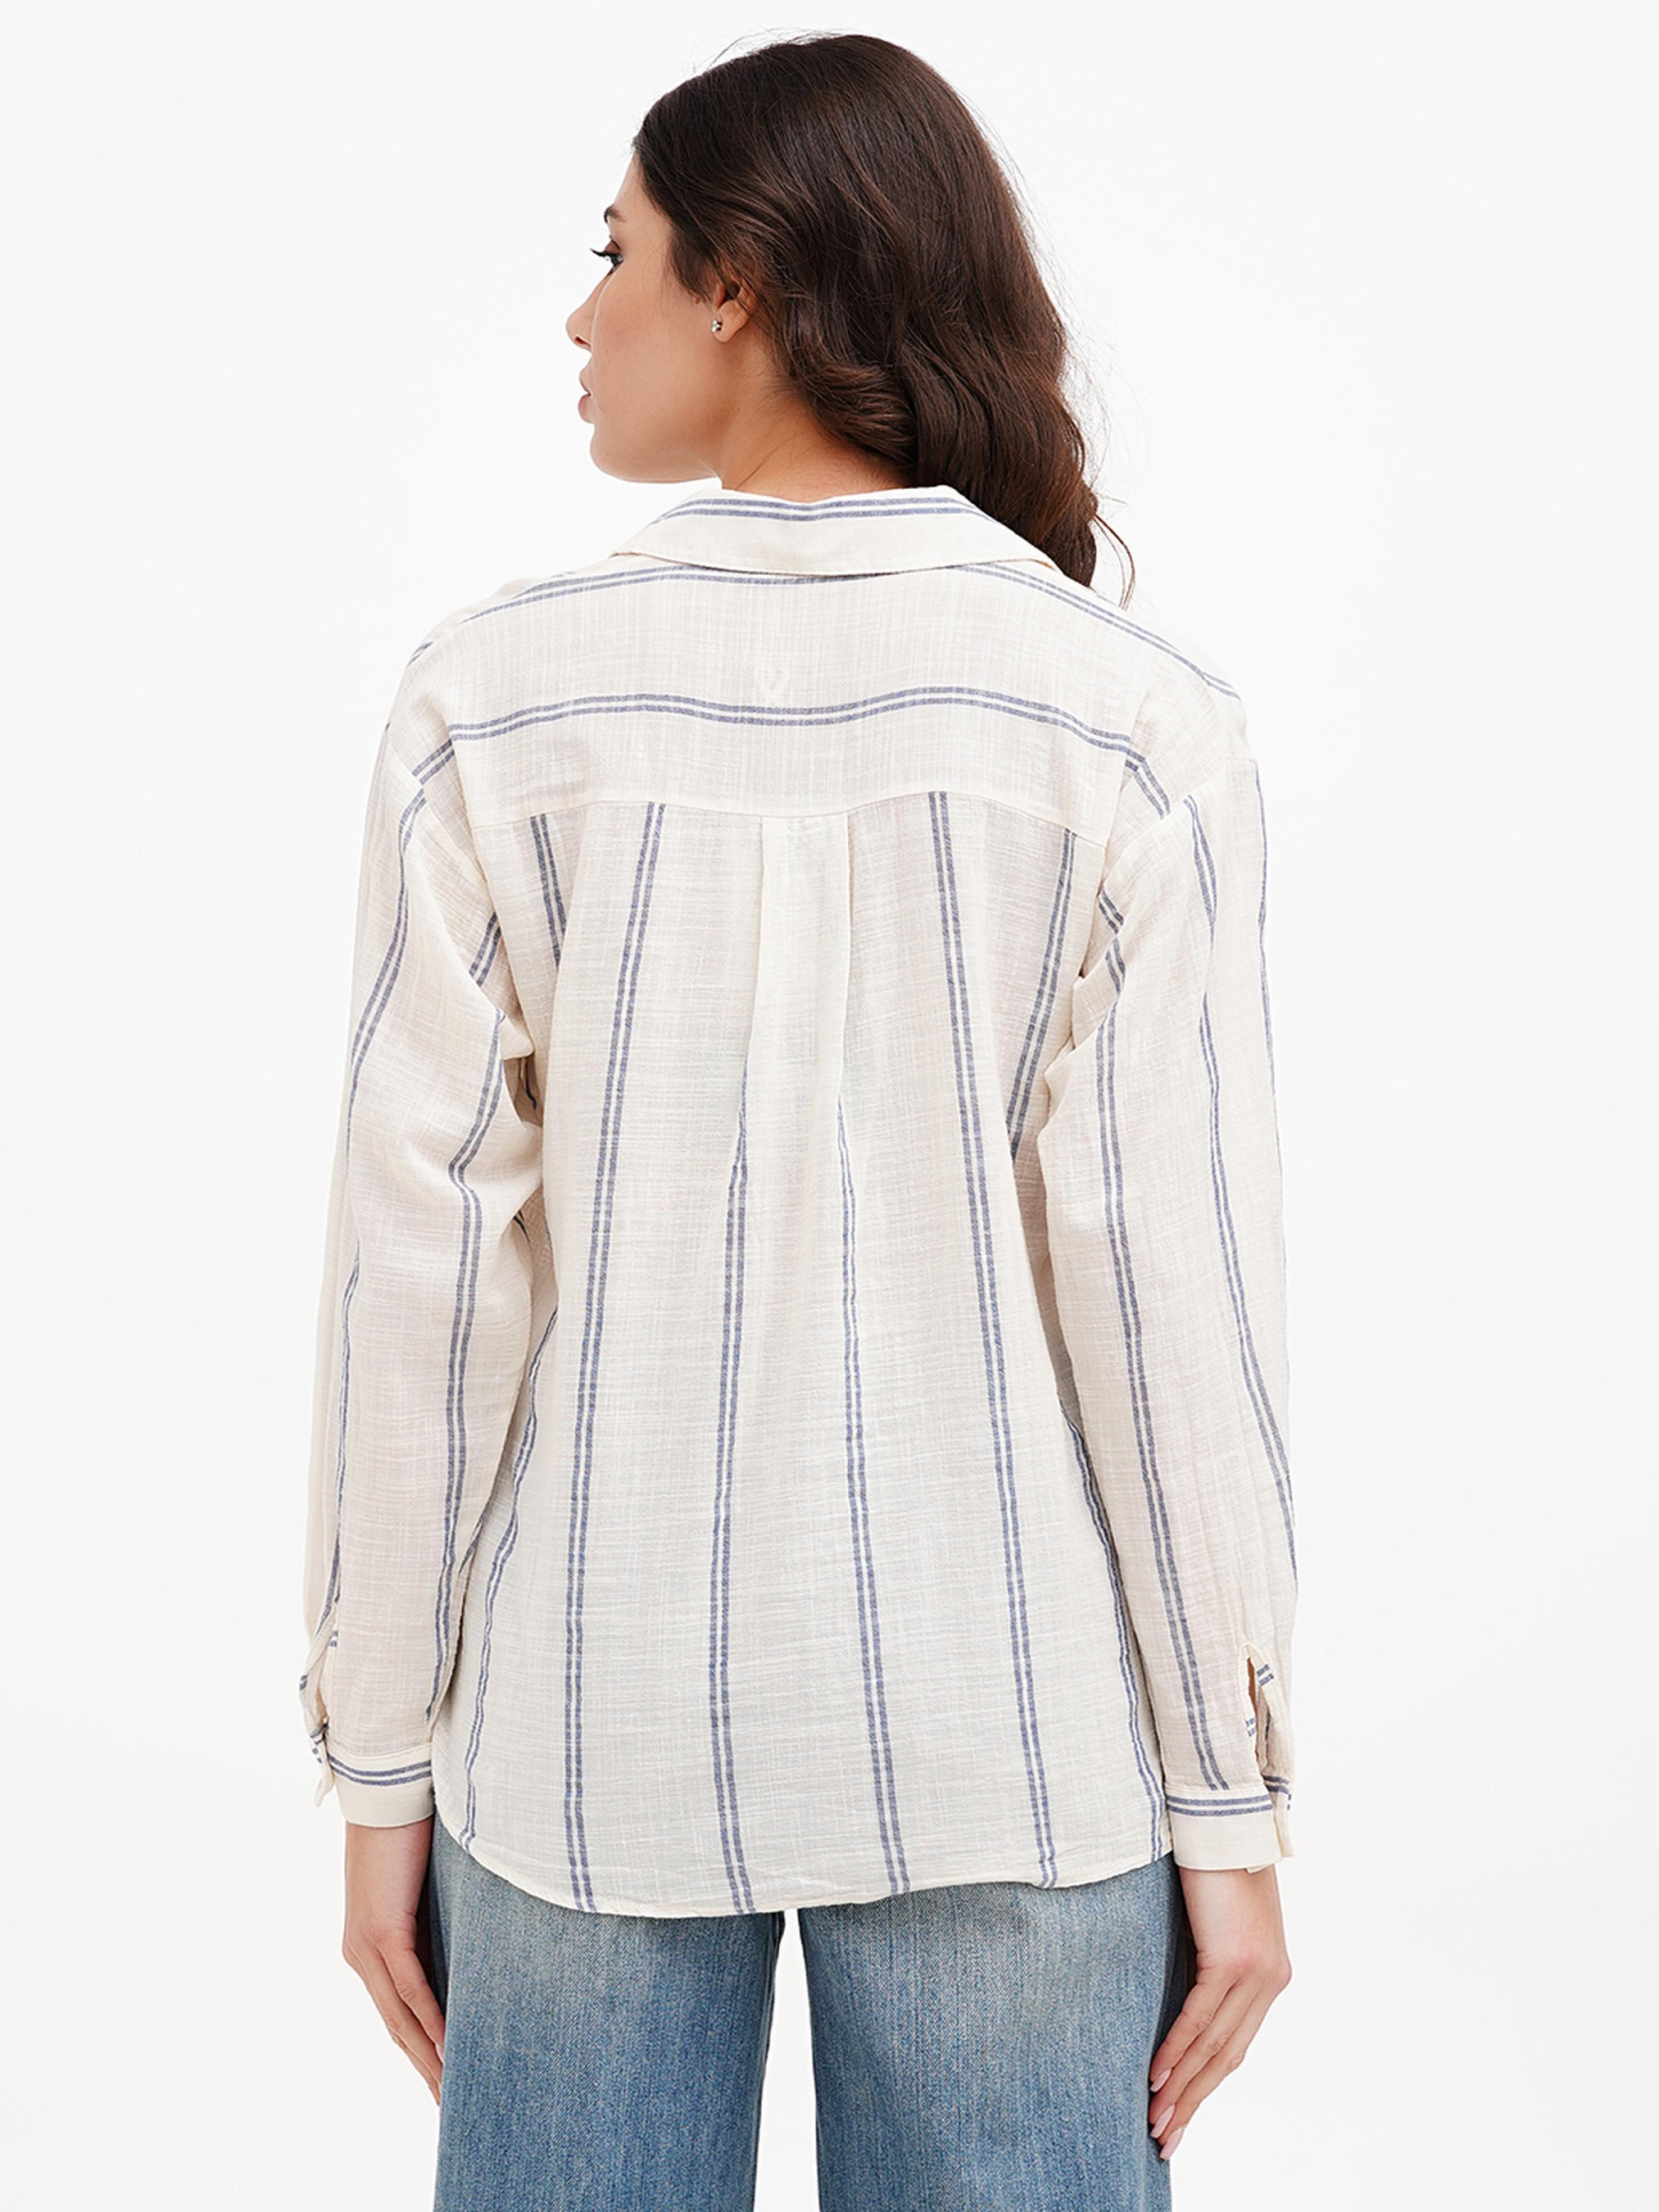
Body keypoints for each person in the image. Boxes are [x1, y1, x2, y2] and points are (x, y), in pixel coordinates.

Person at [297, 30, 1298, 2210]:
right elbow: (1171, 1309)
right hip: (1013, 1736)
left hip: (582, 1734)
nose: (583, 314)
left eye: (616, 252)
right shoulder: (1134, 726)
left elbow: (421, 1279)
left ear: (739, 284)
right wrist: (1231, 1807)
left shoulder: (491, 702)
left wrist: (378, 1763)